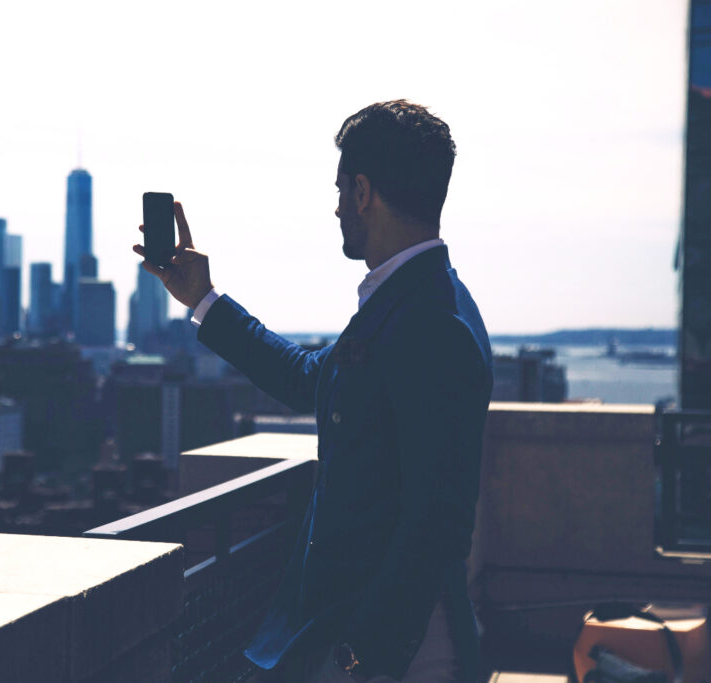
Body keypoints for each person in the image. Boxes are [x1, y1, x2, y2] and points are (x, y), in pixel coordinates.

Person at [133, 100, 493, 683]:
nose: (335, 208)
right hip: (353, 632)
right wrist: (203, 299)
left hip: (385, 650)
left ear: (364, 191)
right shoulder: (411, 301)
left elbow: (439, 522)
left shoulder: (429, 323)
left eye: (339, 190)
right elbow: (311, 379)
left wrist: (361, 656)